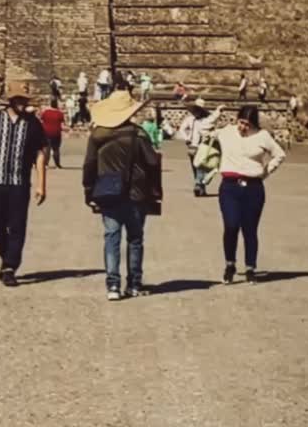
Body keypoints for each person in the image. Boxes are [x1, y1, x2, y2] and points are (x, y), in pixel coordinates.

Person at [82, 88, 162, 301]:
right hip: (137, 193)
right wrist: (155, 191)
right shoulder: (138, 134)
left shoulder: (97, 135)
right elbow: (153, 162)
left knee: (111, 238)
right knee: (135, 239)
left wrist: (88, 191)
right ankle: (134, 284)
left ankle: (113, 285)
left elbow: (89, 165)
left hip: (107, 192)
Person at [0, 79, 47, 287]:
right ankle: (6, 257)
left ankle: (10, 266)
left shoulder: (33, 124)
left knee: (17, 226)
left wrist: (41, 184)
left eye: (24, 99)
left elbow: (40, 154)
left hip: (19, 183)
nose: (22, 103)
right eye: (18, 99)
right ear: (10, 100)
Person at [214, 104, 286, 284]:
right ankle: (230, 264)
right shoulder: (227, 132)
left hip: (253, 187)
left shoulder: (263, 136)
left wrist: (267, 170)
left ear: (253, 124)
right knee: (231, 226)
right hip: (229, 186)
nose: (242, 127)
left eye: (247, 124)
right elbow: (205, 129)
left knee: (250, 229)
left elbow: (279, 154)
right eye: (240, 122)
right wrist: (215, 114)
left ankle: (250, 267)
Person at [177, 98, 222, 197]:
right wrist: (187, 138)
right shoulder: (196, 120)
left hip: (198, 146)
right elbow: (182, 129)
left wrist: (187, 138)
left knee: (200, 166)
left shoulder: (199, 120)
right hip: (196, 146)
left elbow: (182, 129)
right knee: (198, 167)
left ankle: (199, 185)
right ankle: (199, 185)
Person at [40, 97, 65, 168]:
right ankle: (57, 164)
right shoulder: (59, 113)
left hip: (46, 132)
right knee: (56, 149)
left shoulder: (46, 112)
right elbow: (62, 124)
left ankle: (46, 163)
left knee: (47, 148)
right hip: (56, 132)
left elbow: (42, 120)